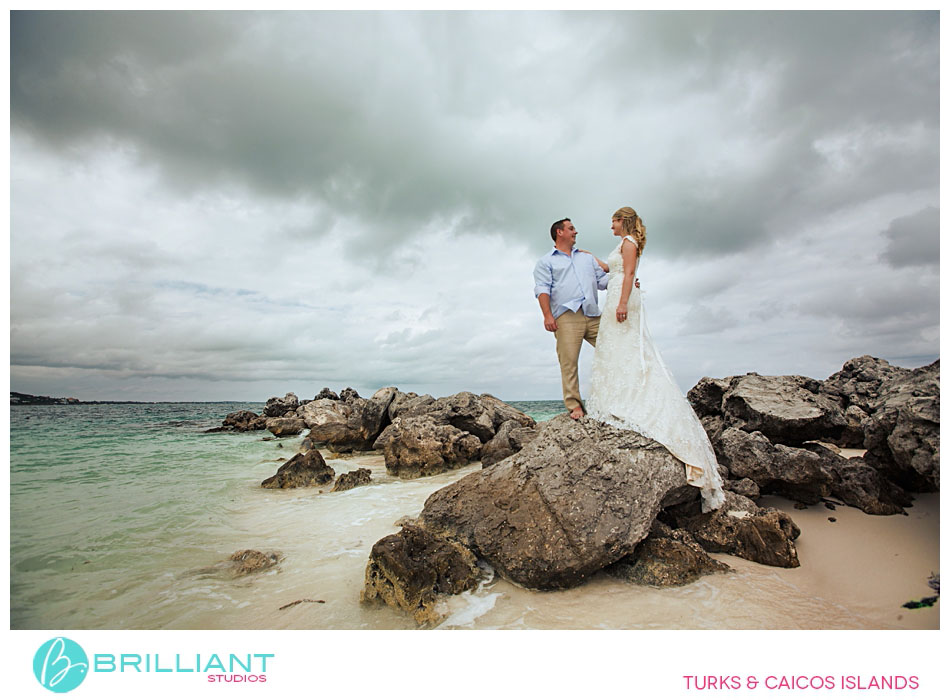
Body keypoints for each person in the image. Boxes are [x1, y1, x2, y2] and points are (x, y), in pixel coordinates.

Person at [586, 207, 725, 512]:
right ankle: (619, 395)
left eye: (613, 220)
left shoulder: (628, 243)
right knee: (615, 349)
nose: (610, 225)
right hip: (619, 296)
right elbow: (614, 270)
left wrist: (622, 302)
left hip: (622, 301)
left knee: (623, 348)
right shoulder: (624, 244)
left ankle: (629, 399)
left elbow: (630, 274)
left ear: (624, 220)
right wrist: (590, 258)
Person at [533, 218, 608, 420]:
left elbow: (603, 281)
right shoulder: (546, 261)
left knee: (614, 349)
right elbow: (542, 289)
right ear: (560, 232)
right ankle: (575, 406)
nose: (576, 232)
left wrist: (627, 281)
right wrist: (547, 315)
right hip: (566, 316)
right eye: (571, 229)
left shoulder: (586, 258)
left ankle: (615, 398)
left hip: (593, 314)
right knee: (569, 362)